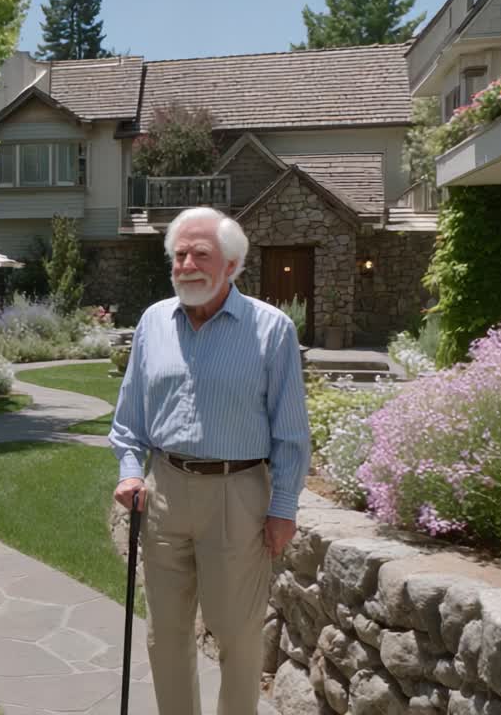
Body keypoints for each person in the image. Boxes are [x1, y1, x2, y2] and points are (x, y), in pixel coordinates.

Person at [109, 207, 310, 715]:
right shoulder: (154, 322)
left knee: (238, 637)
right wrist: (131, 471)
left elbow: (290, 433)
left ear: (233, 266)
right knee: (166, 634)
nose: (187, 264)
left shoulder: (271, 329)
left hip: (236, 494)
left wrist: (283, 508)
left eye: (201, 254)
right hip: (166, 492)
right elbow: (129, 418)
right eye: (179, 254)